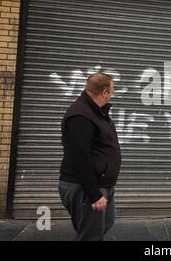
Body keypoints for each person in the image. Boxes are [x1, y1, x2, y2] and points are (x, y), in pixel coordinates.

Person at [58, 72, 121, 241]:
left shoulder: (96, 113)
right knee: (90, 236)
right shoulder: (81, 116)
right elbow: (78, 157)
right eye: (112, 90)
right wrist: (93, 193)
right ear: (105, 92)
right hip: (85, 187)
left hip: (101, 183)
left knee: (105, 223)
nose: (112, 94)